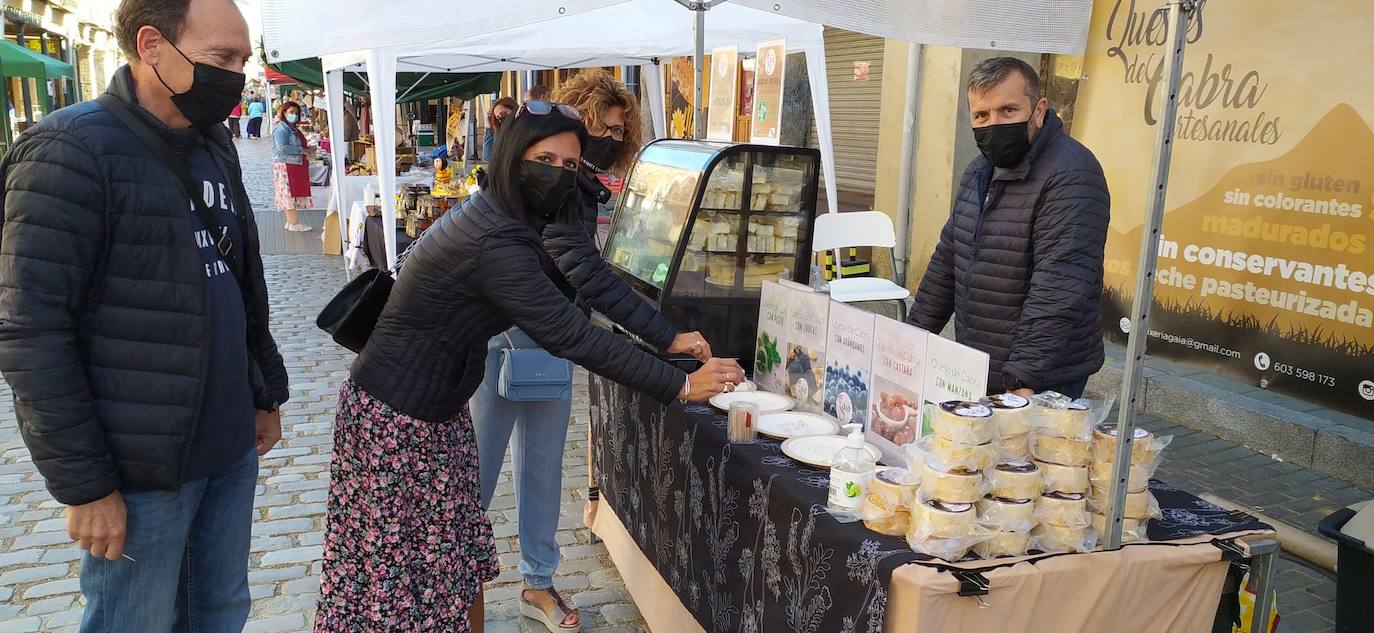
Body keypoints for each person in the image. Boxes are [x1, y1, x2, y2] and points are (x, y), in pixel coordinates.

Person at [314, 101, 742, 633]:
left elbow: (589, 279)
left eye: (569, 164)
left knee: (457, 552)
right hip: (397, 420)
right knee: (397, 579)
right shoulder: (495, 236)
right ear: (515, 157)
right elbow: (568, 332)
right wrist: (677, 382)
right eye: (546, 159)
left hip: (433, 411)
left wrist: (665, 337)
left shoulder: (512, 217)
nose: (558, 174)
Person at [0, 0, 289, 631]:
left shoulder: (212, 141)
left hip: (226, 446)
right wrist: (85, 486)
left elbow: (243, 282)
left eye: (243, 59)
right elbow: (32, 333)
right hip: (140, 471)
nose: (237, 76)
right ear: (152, 45)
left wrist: (261, 392)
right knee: (133, 621)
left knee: (219, 613)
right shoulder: (69, 151)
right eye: (222, 58)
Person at [470, 77, 681, 633]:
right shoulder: (555, 187)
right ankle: (455, 584)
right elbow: (584, 273)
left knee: (541, 467)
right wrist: (664, 339)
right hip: (502, 339)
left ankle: (537, 582)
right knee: (476, 475)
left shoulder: (583, 188)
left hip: (553, 339)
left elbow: (587, 278)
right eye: (601, 127)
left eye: (619, 130)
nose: (610, 138)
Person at [905, 57, 1109, 399]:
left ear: (1039, 110)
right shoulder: (977, 171)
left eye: (1008, 110)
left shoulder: (1072, 173)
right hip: (982, 361)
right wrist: (909, 341)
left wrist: (1022, 379)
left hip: (1041, 376)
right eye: (982, 115)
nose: (993, 123)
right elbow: (948, 258)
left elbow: (1060, 284)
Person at [272, 100, 314, 232]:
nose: (294, 115)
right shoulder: (282, 128)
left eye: (296, 112)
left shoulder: (291, 127)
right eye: (291, 112)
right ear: (284, 112)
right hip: (286, 165)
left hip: (294, 164)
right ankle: (294, 223)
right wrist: (302, 150)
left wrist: (306, 148)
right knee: (288, 194)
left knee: (290, 194)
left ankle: (291, 222)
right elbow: (282, 147)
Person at [482, 96, 517, 161]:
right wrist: (489, 128)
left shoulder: (523, 130)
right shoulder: (503, 132)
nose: (502, 118)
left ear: (514, 109)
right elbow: (488, 156)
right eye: (498, 117)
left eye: (504, 113)